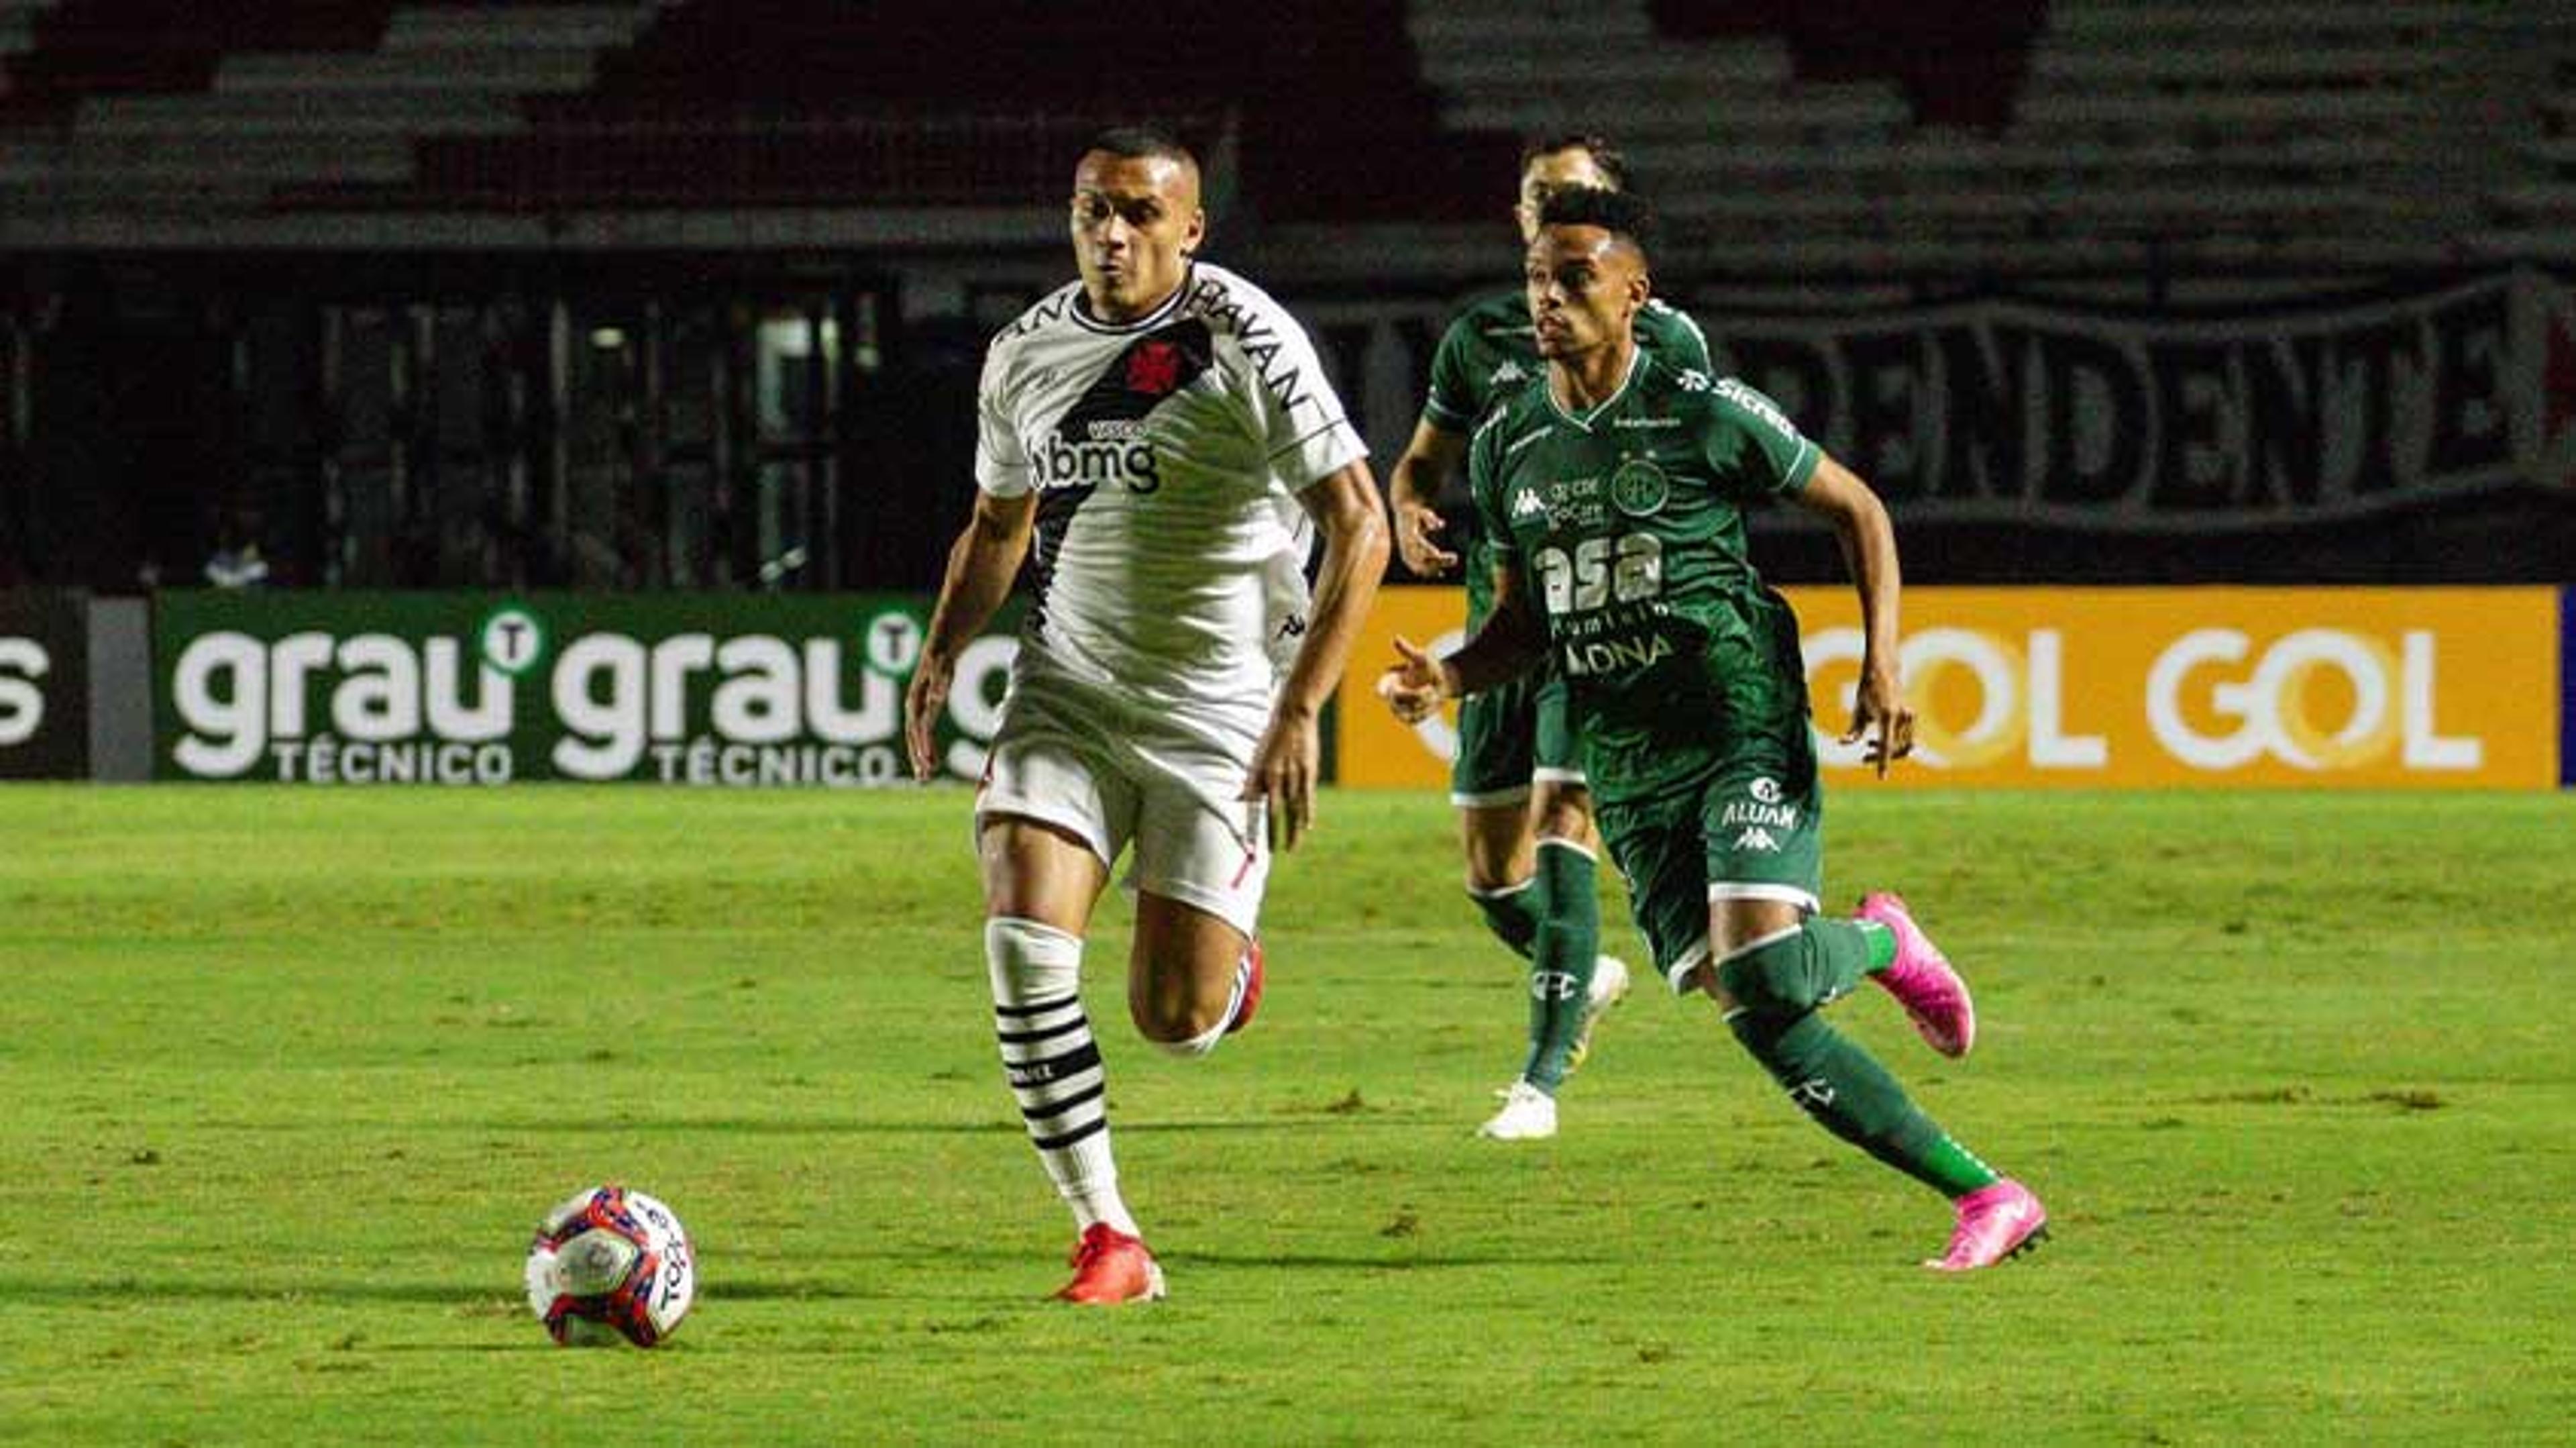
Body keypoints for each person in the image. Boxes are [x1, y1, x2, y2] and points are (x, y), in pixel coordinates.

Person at [1378, 186, 2048, 1271]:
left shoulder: (1699, 406)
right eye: (1539, 281)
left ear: (1634, 293)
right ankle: (1989, 1192)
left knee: (1771, 971)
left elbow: (1858, 509)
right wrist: (1448, 676)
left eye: (1576, 279)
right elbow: (1524, 622)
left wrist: (1882, 665)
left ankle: (1880, 940)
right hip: (1627, 756)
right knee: (1757, 1011)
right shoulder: (1507, 446)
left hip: (1738, 713)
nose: (1548, 299)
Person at [903, 126, 1389, 1305]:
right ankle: (1109, 1234)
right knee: (1021, 938)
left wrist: (1299, 715)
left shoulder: (1245, 337)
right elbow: (1001, 527)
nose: (1110, 235)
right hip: (1069, 687)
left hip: (1223, 712)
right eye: (1090, 212)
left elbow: (1360, 526)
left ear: (1190, 228)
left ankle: (1226, 977)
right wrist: (938, 659)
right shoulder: (1026, 353)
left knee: (1174, 1021)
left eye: (1135, 213)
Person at [1384, 134, 1713, 1141]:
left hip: (1604, 629)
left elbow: (1704, 481)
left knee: (1564, 817)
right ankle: (1589, 971)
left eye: (1575, 196)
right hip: (1502, 627)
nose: (1551, 207)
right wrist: (1406, 513)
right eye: (1538, 197)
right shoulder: (1480, 338)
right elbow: (1420, 466)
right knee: (1493, 873)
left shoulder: (1672, 343)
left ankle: (1537, 1084)